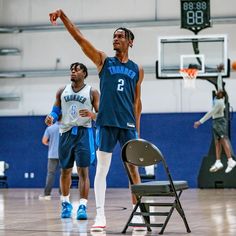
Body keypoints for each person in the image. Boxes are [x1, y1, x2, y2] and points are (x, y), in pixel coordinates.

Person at [49, 10, 144, 231]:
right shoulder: (103, 61)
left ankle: (138, 212)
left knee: (133, 170)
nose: (116, 39)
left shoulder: (137, 69)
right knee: (102, 169)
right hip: (107, 124)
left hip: (128, 125)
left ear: (130, 41)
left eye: (120, 36)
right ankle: (100, 215)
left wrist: (138, 132)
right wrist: (63, 17)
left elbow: (137, 103)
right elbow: (80, 39)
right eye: (114, 36)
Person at [45, 62, 100, 220]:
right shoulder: (62, 91)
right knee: (65, 171)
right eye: (71, 70)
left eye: (76, 70)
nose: (73, 72)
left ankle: (82, 206)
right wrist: (51, 117)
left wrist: (91, 114)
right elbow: (56, 110)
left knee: (84, 171)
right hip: (66, 132)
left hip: (84, 133)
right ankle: (65, 204)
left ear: (84, 74)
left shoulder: (92, 92)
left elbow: (100, 113)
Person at [194, 64, 236, 173]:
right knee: (217, 141)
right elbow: (219, 83)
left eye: (219, 91)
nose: (217, 91)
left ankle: (230, 160)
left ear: (222, 95)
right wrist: (219, 73)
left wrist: (200, 122)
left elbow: (210, 113)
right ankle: (218, 161)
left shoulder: (219, 103)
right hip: (216, 122)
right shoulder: (219, 94)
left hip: (220, 121)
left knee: (223, 139)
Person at [39, 121, 60, 200]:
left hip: (52, 155)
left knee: (50, 174)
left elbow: (44, 141)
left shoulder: (50, 128)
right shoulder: (66, 127)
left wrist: (50, 144)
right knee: (64, 175)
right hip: (63, 155)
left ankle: (47, 194)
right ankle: (63, 195)